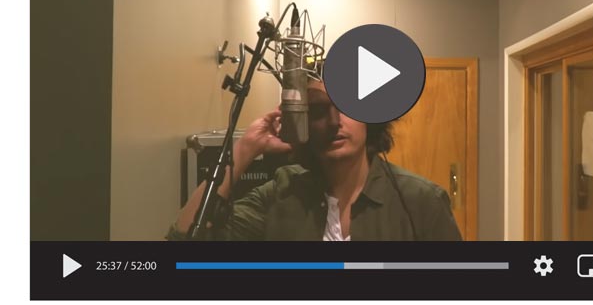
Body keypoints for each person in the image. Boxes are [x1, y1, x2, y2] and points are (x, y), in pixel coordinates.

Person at [168, 78, 462, 241]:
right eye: (320, 111)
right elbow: (184, 240)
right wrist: (244, 149)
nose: (335, 122)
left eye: (348, 107)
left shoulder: (420, 200)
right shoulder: (282, 193)